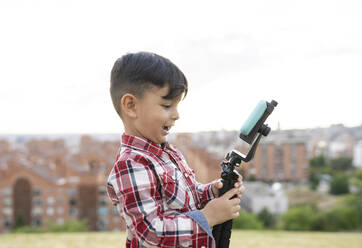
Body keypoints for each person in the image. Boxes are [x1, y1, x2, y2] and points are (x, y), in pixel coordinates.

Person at [106, 52, 245, 248]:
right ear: (131, 106)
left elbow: (188, 198)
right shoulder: (131, 165)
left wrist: (212, 191)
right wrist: (208, 217)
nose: (176, 115)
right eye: (166, 106)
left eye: (177, 106)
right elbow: (151, 233)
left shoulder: (168, 153)